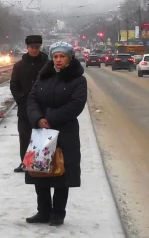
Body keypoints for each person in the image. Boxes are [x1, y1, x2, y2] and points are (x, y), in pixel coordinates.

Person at [25, 41, 87, 227]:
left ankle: (58, 214)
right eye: (55, 57)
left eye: (62, 57)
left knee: (62, 173)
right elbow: (32, 99)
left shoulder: (77, 79)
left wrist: (51, 118)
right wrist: (37, 118)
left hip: (65, 132)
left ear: (69, 58)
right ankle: (43, 211)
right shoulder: (43, 77)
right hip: (42, 131)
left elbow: (76, 104)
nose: (58, 60)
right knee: (39, 172)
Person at [10, 35, 49, 173]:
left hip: (43, 108)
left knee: (41, 135)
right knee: (25, 136)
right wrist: (21, 99)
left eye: (37, 47)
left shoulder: (47, 64)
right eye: (32, 47)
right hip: (24, 109)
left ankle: (39, 163)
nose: (35, 50)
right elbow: (14, 86)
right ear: (27, 48)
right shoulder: (19, 66)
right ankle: (25, 162)